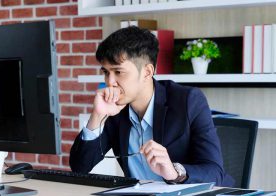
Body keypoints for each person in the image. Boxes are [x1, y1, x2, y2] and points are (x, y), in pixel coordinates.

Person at [69, 26, 234, 186]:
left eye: (118, 72)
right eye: (106, 72)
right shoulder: (115, 109)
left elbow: (215, 172)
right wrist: (97, 116)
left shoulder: (188, 100)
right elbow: (79, 168)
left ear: (147, 72)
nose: (110, 82)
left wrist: (175, 172)